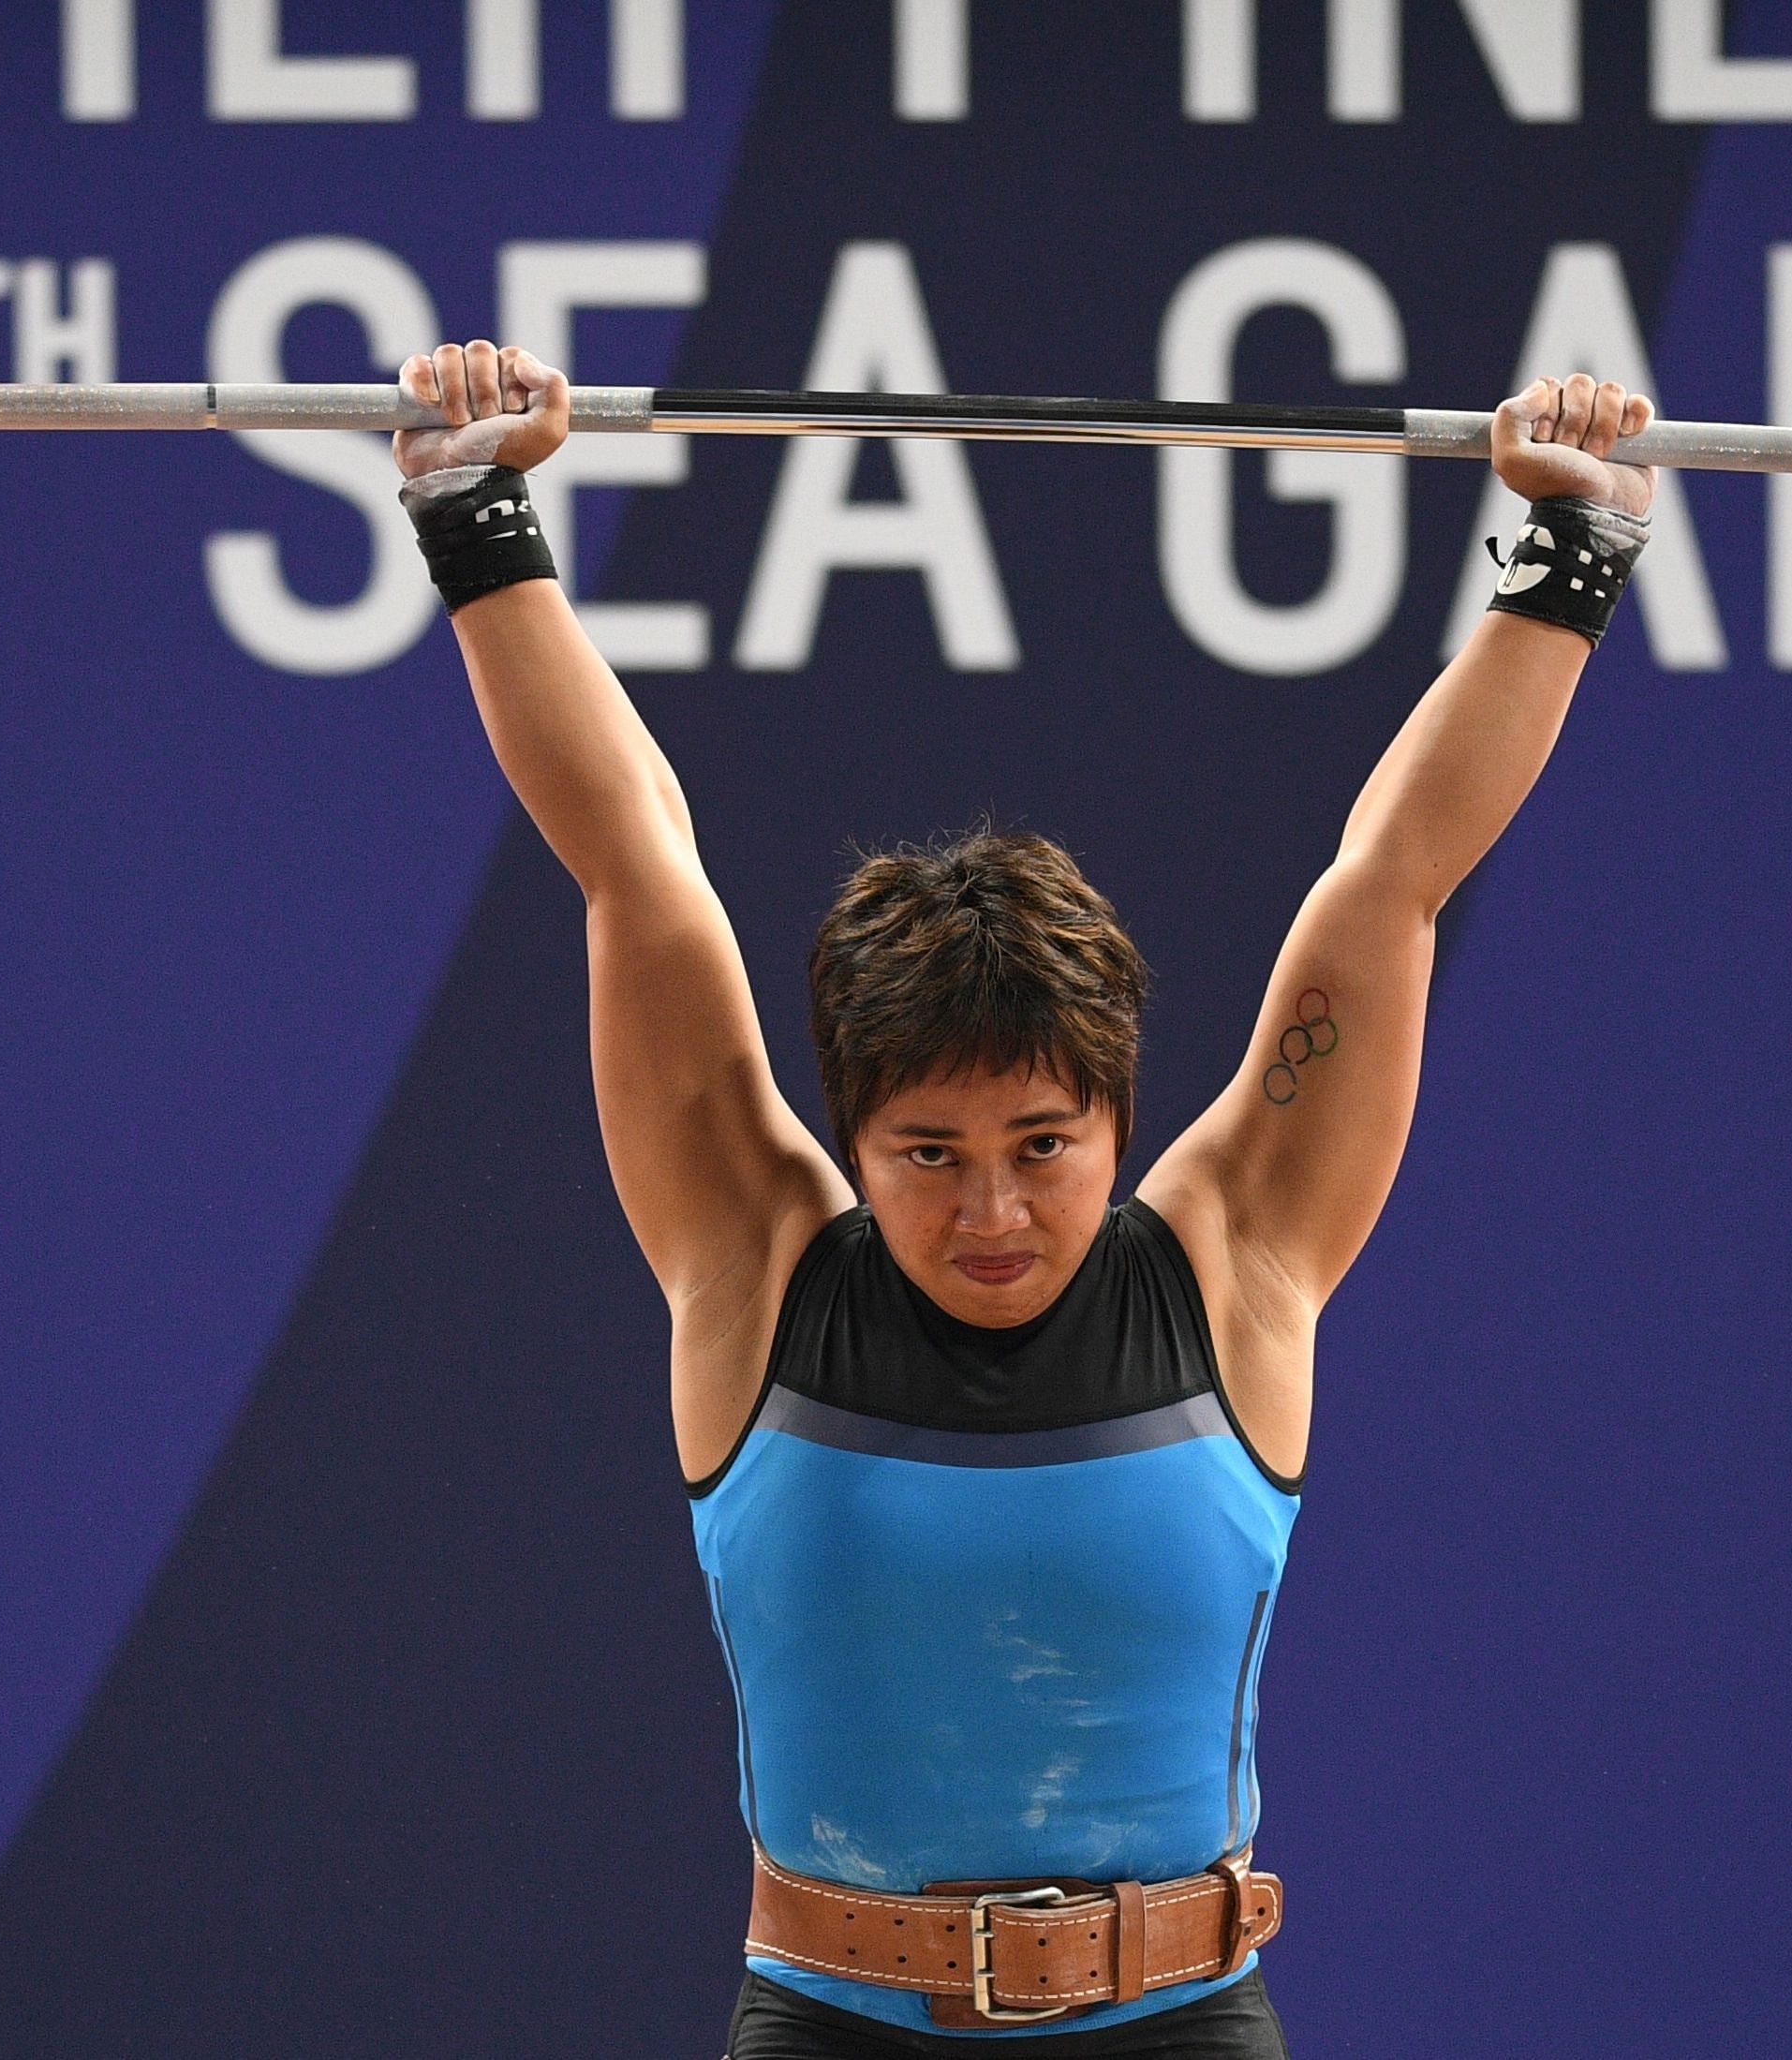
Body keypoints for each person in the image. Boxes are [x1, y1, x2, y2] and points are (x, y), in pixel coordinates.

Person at [392, 342, 1656, 2059]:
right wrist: (480, 520)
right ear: (854, 1136)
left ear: (1122, 1121)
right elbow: (632, 858)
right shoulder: (755, 1263)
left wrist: (1565, 561)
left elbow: (1398, 877)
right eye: (930, 1157)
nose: (993, 1209)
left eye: (1044, 1148)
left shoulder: (1240, 1258)